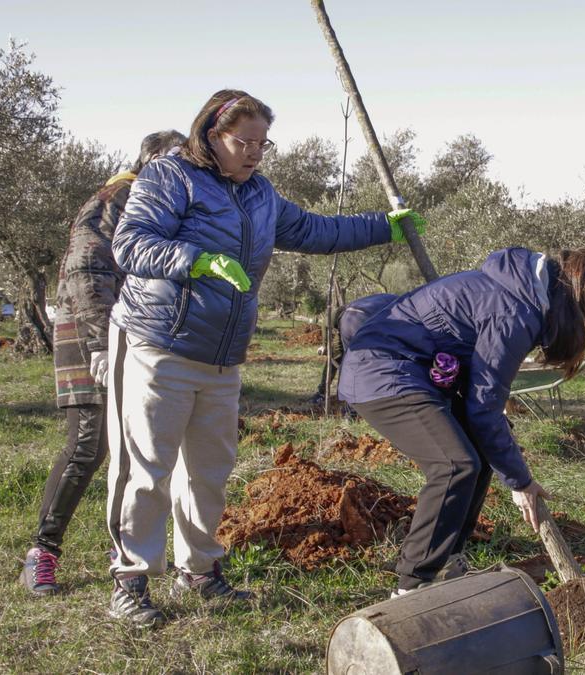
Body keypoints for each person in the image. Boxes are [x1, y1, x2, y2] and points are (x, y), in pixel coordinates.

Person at [105, 89, 419, 627]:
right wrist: (195, 260)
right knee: (146, 468)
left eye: (262, 143)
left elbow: (318, 230)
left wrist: (382, 226)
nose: (253, 153)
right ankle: (131, 580)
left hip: (223, 357)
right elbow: (130, 244)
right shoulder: (169, 176)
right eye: (241, 142)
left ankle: (199, 571)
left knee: (209, 471)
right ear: (210, 135)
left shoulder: (261, 196)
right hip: (159, 343)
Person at [338, 247, 585, 596]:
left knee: (478, 453)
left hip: (411, 369)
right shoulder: (514, 312)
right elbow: (483, 409)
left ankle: (448, 562)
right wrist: (521, 482)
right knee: (454, 464)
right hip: (381, 369)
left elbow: (482, 404)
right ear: (573, 296)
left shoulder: (524, 298)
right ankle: (413, 584)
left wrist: (509, 462)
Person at [20, 130, 186, 596]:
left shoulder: (161, 200)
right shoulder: (120, 194)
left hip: (136, 330)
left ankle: (129, 549)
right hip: (90, 327)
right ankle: (42, 551)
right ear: (151, 160)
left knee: (138, 441)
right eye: (175, 159)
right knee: (89, 443)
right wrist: (99, 344)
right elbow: (85, 267)